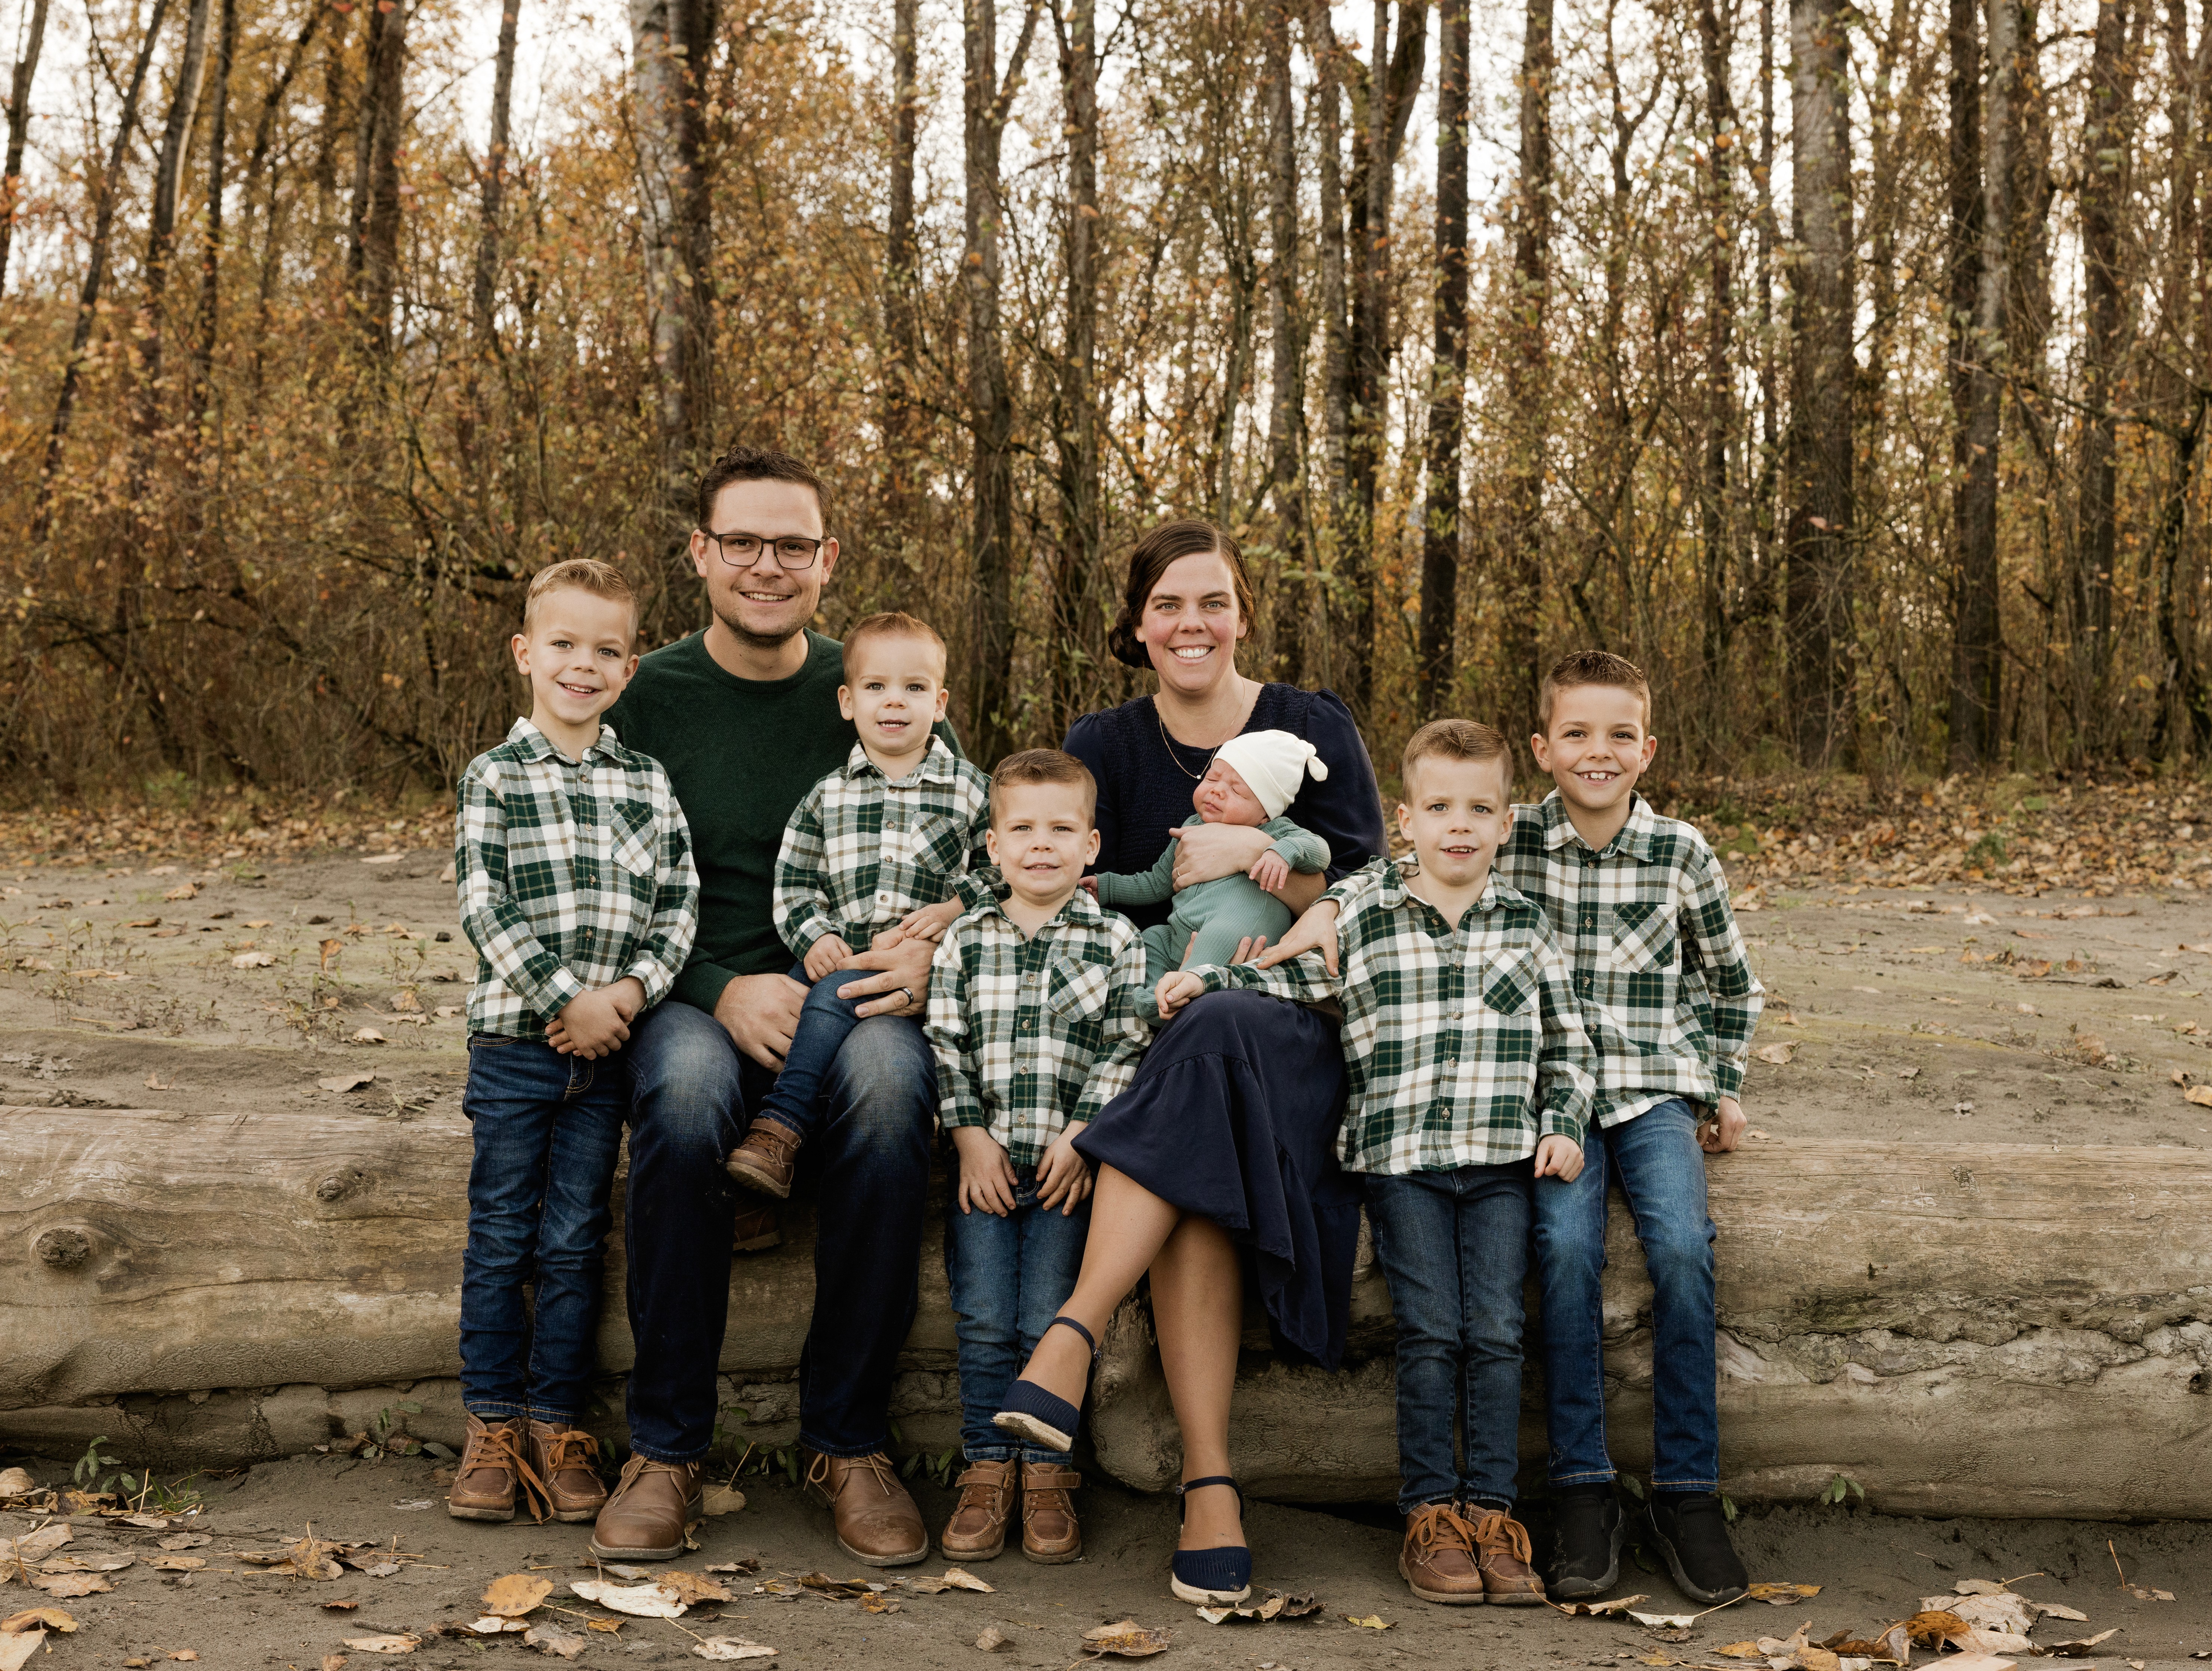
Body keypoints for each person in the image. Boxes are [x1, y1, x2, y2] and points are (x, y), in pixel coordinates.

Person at [985, 517, 1387, 1606]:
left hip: (1293, 1026)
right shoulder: (1103, 744)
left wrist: (1257, 866)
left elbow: (1378, 896)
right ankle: (1209, 1485)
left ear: (1241, 613)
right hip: (1159, 1031)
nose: (1190, 622)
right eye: (1167, 603)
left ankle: (1071, 1331)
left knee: (1207, 1047)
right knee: (1194, 1108)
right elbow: (1066, 886)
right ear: (1136, 623)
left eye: (1211, 600)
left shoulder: (1311, 727)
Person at [591, 446, 955, 1567]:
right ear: (699, 552)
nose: (765, 564)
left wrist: (940, 942)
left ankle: (847, 1437)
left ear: (825, 558)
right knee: (691, 1087)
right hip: (693, 992)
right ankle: (666, 1445)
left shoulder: (879, 680)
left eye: (790, 543)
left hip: (850, 1001)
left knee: (895, 1092)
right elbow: (607, 885)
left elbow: (972, 845)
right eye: (739, 540)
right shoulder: (643, 695)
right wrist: (716, 985)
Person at [1158, 720, 1596, 1607]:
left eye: (1478, 808)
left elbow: (1567, 1044)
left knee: (1500, 1333)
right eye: (1439, 807)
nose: (1458, 826)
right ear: (1408, 818)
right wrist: (1208, 982)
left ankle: (1494, 1514)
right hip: (1401, 1164)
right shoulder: (1361, 911)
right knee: (1433, 1331)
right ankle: (1431, 1513)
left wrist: (1563, 1122)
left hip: (1502, 1162)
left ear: (1506, 821)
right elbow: (1291, 979)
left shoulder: (1528, 926)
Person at [1503, 650, 1764, 1604]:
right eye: (1575, 733)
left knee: (1683, 1253)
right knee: (1565, 1252)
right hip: (1554, 1101)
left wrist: (1724, 1084)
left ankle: (1687, 1491)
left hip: (1656, 1089)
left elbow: (1731, 983)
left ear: (1646, 749)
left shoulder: (1682, 853)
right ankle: (1582, 1488)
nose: (1596, 751)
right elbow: (1418, 868)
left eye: (1618, 734)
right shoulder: (1512, 839)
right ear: (1543, 746)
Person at [448, 558, 699, 1526]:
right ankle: (491, 1425)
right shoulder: (495, 777)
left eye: (605, 649)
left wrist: (629, 994)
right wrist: (566, 997)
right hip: (517, 1044)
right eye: (563, 644)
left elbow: (677, 901)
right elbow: (485, 904)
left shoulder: (644, 780)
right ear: (525, 654)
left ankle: (556, 1423)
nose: (582, 665)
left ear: (629, 668)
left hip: (604, 1056)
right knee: (503, 1232)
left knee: (570, 1241)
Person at [925, 750, 1150, 1565]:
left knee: (1048, 1318)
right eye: (1023, 829)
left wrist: (1082, 1135)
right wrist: (968, 1138)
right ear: (993, 846)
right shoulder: (963, 942)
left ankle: (1050, 1473)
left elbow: (1127, 1045)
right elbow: (944, 1046)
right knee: (985, 1321)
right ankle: (987, 1470)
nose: (1041, 845)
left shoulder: (1117, 941)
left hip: (1066, 1172)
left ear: (1092, 846)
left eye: (1061, 829)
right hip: (985, 1168)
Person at [722, 612, 995, 1199]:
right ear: (848, 701)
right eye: (876, 687)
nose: (894, 702)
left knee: (836, 994)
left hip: (926, 974)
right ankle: (755, 1174)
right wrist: (815, 936)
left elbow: (1005, 873)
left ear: (940, 703)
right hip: (840, 950)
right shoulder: (826, 795)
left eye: (914, 688)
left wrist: (952, 911)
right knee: (785, 1012)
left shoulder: (973, 789)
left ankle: (781, 1129)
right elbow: (794, 883)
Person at [1084, 729, 1331, 1018]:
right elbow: (1156, 883)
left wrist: (1283, 851)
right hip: (1183, 931)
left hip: (1239, 929)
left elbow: (1320, 851)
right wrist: (1108, 887)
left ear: (1266, 813)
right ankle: (1155, 998)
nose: (1216, 790)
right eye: (1213, 778)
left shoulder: (1275, 830)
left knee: (1218, 936)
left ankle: (1178, 998)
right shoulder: (1192, 827)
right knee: (1152, 938)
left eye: (1237, 790)